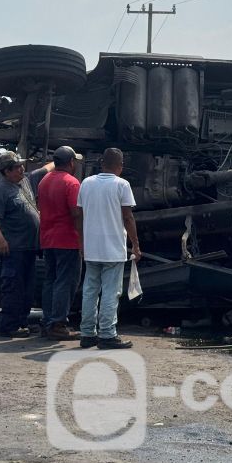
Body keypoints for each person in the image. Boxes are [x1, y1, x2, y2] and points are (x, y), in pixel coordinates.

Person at [76, 148, 142, 349]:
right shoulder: (122, 185)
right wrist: (135, 245)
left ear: (101, 163)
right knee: (111, 292)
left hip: (91, 248)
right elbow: (128, 217)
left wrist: (81, 243)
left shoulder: (86, 183)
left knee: (90, 291)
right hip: (113, 249)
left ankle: (87, 334)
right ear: (120, 166)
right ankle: (107, 335)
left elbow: (79, 216)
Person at [0, 152, 52, 338]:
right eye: (17, 167)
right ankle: (9, 326)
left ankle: (22, 322)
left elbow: (45, 169)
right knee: (13, 287)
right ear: (6, 171)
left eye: (21, 166)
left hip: (30, 247)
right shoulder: (0, 190)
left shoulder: (25, 181)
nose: (22, 169)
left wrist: (63, 158)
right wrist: (0, 240)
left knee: (27, 288)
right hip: (14, 248)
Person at [38, 146, 84, 341]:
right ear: (71, 162)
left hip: (48, 239)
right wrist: (82, 239)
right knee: (66, 282)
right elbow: (76, 213)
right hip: (67, 240)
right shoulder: (71, 183)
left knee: (51, 280)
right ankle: (58, 324)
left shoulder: (44, 181)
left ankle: (48, 321)